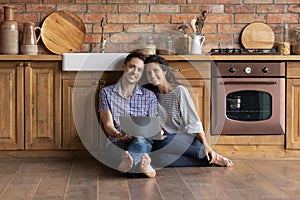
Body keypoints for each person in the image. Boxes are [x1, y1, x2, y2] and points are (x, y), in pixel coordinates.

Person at [144, 55, 233, 167]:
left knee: (165, 142)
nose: (152, 75)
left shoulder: (179, 91)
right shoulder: (151, 95)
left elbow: (193, 121)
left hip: (185, 140)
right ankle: (208, 160)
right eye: (148, 73)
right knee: (159, 159)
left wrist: (206, 145)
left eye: (156, 70)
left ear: (165, 71)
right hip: (166, 141)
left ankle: (208, 154)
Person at [99, 52, 158, 178]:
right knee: (118, 150)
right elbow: (108, 124)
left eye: (139, 70)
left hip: (141, 139)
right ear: (124, 66)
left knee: (140, 142)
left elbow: (153, 125)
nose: (135, 72)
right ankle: (143, 167)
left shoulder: (149, 96)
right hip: (117, 140)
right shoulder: (106, 93)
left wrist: (142, 132)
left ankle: (126, 168)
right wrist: (118, 134)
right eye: (132, 67)